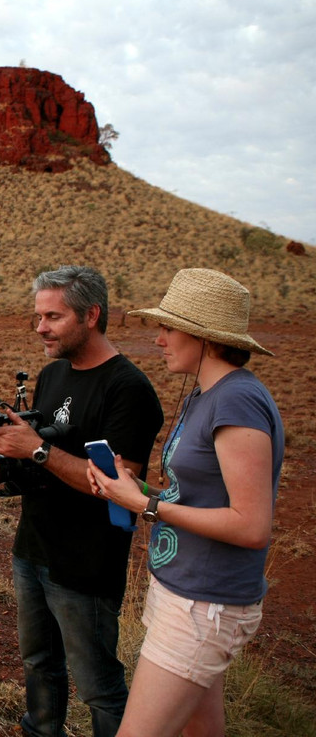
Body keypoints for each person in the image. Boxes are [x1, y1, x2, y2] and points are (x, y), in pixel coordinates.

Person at [87, 268, 283, 737]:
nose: (159, 339)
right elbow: (198, 497)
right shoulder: (206, 394)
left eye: (168, 328)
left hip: (203, 604)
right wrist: (134, 490)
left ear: (203, 336)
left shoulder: (236, 401)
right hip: (185, 591)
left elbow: (251, 525)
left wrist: (146, 506)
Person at [0, 265, 163, 737]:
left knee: (98, 684)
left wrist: (37, 450)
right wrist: (12, 449)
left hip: (86, 561)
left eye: (53, 317)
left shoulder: (128, 388)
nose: (40, 327)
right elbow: (45, 455)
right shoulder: (53, 374)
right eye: (38, 316)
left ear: (91, 315)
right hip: (34, 545)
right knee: (38, 661)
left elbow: (120, 483)